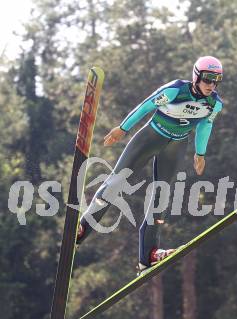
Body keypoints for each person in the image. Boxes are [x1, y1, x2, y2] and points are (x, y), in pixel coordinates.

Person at [77, 56, 224, 275]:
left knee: (161, 198)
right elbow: (145, 106)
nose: (211, 85)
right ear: (196, 76)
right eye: (207, 79)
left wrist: (200, 154)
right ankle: (82, 229)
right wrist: (123, 128)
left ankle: (148, 256)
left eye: (216, 81)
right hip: (150, 138)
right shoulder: (176, 90)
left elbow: (205, 126)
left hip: (176, 146)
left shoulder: (214, 104)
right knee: (116, 183)